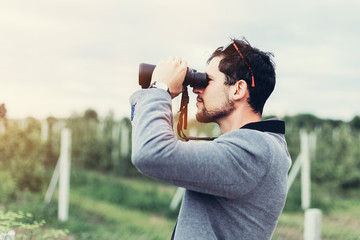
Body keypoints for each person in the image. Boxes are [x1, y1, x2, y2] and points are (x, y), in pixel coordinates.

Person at [130, 38, 291, 240]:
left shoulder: (255, 150)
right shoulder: (255, 146)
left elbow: (150, 153)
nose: (197, 89)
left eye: (208, 81)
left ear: (238, 90)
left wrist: (160, 88)